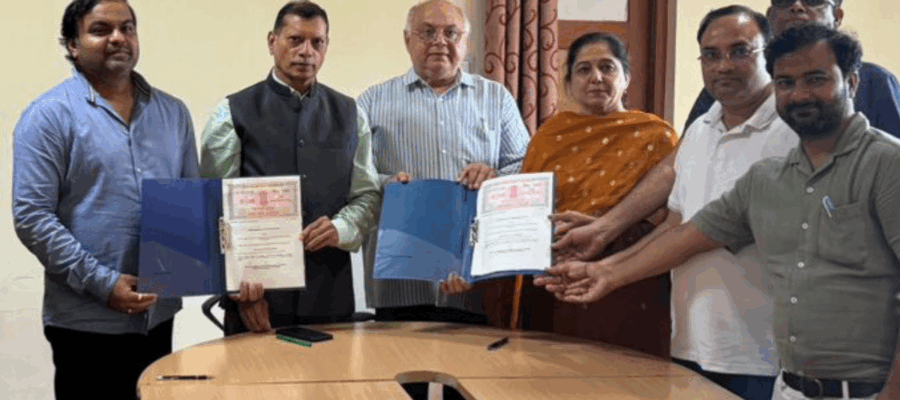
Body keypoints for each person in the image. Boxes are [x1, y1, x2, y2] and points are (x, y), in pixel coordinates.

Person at [538, 24, 900, 400]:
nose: (799, 94)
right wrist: (603, 272)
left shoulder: (887, 165)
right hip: (788, 387)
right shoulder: (767, 178)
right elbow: (687, 234)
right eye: (786, 83)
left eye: (816, 79)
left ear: (853, 82)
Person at [11, 1, 200, 399]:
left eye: (127, 28)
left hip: (157, 317)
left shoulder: (173, 113)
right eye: (101, 29)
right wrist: (103, 283)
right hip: (85, 324)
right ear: (72, 45)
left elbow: (189, 203)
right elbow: (31, 216)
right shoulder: (48, 116)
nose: (118, 38)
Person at [199, 1, 381, 334]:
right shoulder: (232, 112)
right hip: (257, 302)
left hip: (331, 297)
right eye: (295, 40)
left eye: (317, 42)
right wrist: (239, 291)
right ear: (272, 42)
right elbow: (213, 209)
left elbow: (367, 197)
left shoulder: (352, 114)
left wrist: (341, 227)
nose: (306, 52)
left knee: (328, 386)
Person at [357, 0, 529, 324]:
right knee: (400, 372)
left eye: (451, 33)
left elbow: (525, 165)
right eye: (428, 32)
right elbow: (352, 177)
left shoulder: (497, 99)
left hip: (476, 279)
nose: (440, 42)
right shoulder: (371, 102)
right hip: (400, 284)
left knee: (475, 373)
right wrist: (386, 184)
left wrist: (493, 175)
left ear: (466, 42)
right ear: (407, 40)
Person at [515, 32, 677, 357]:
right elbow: (525, 210)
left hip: (628, 278)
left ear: (626, 77)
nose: (596, 78)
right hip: (556, 276)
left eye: (607, 67)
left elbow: (673, 216)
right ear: (569, 82)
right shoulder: (550, 136)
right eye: (584, 70)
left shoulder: (657, 136)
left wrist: (606, 227)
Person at [683, 0, 900, 137]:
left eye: (813, 0)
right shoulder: (733, 79)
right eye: (784, 1)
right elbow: (686, 156)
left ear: (837, 16)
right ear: (769, 16)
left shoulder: (875, 82)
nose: (796, 6)